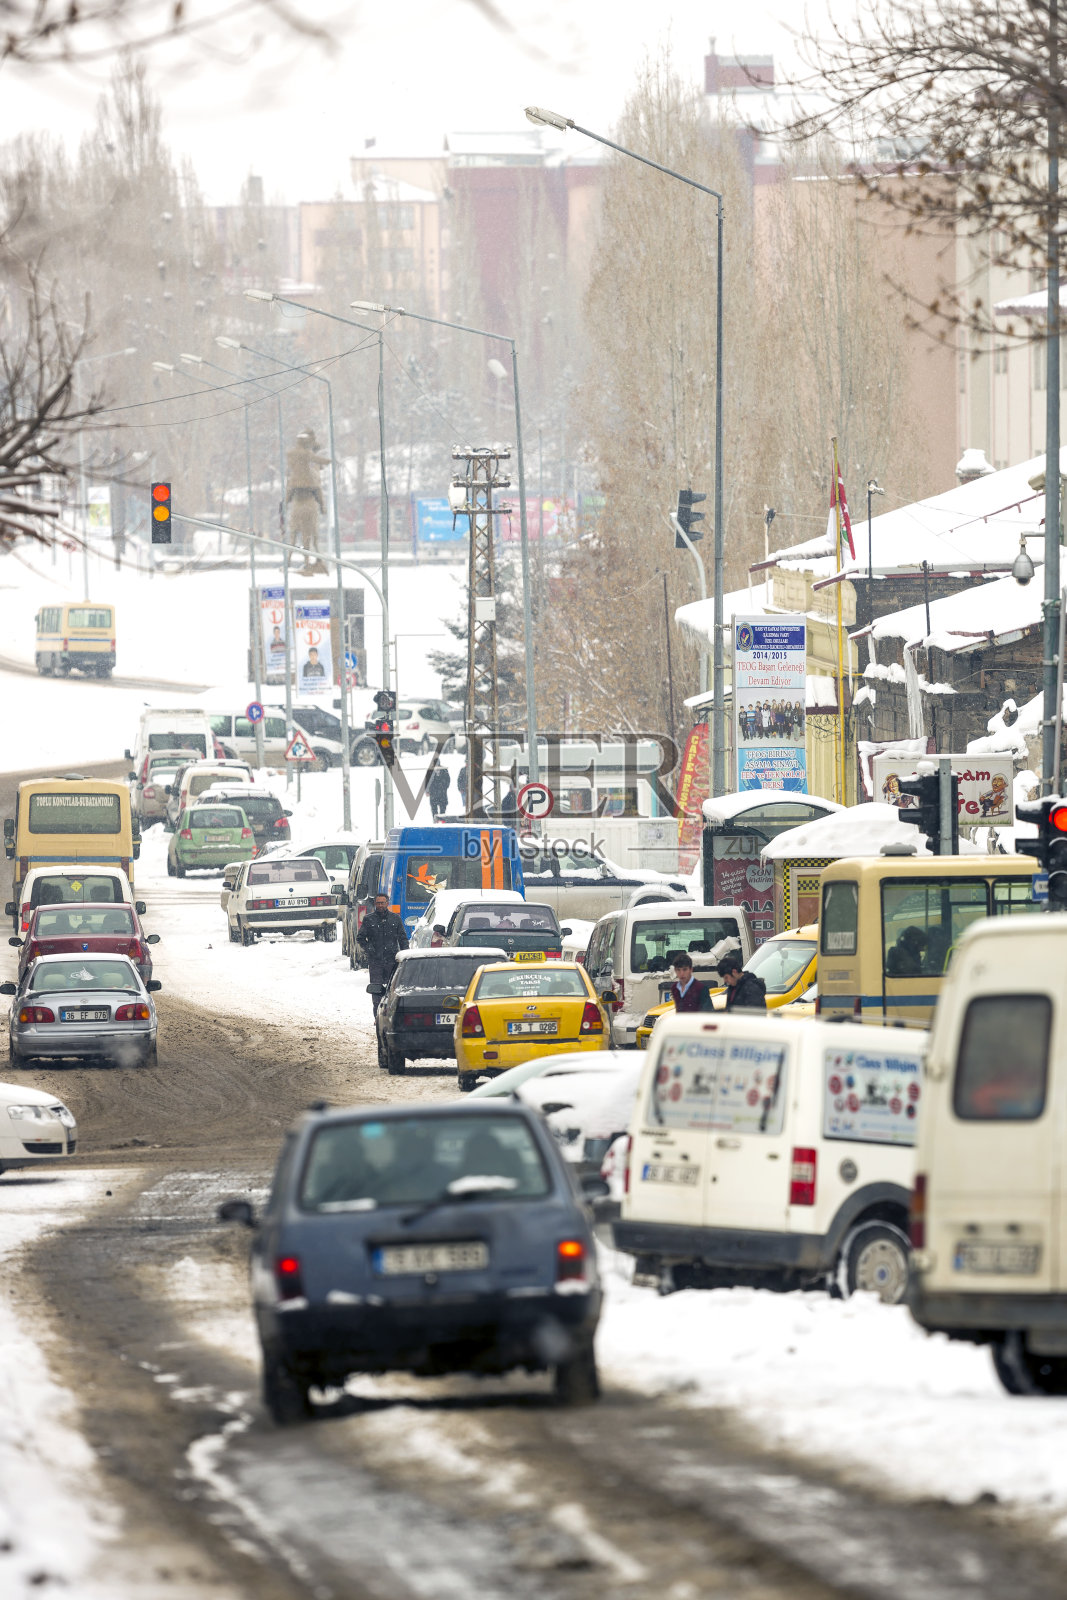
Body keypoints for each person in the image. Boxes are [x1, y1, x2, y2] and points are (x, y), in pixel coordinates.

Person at [356, 892, 409, 1013]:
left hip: (392, 961)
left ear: (387, 903)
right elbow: (360, 938)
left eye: (382, 903)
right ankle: (377, 1014)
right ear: (375, 904)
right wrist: (370, 949)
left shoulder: (395, 919)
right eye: (378, 903)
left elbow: (402, 938)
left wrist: (405, 955)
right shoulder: (369, 919)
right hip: (376, 962)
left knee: (393, 988)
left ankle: (392, 1012)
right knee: (376, 989)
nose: (380, 905)